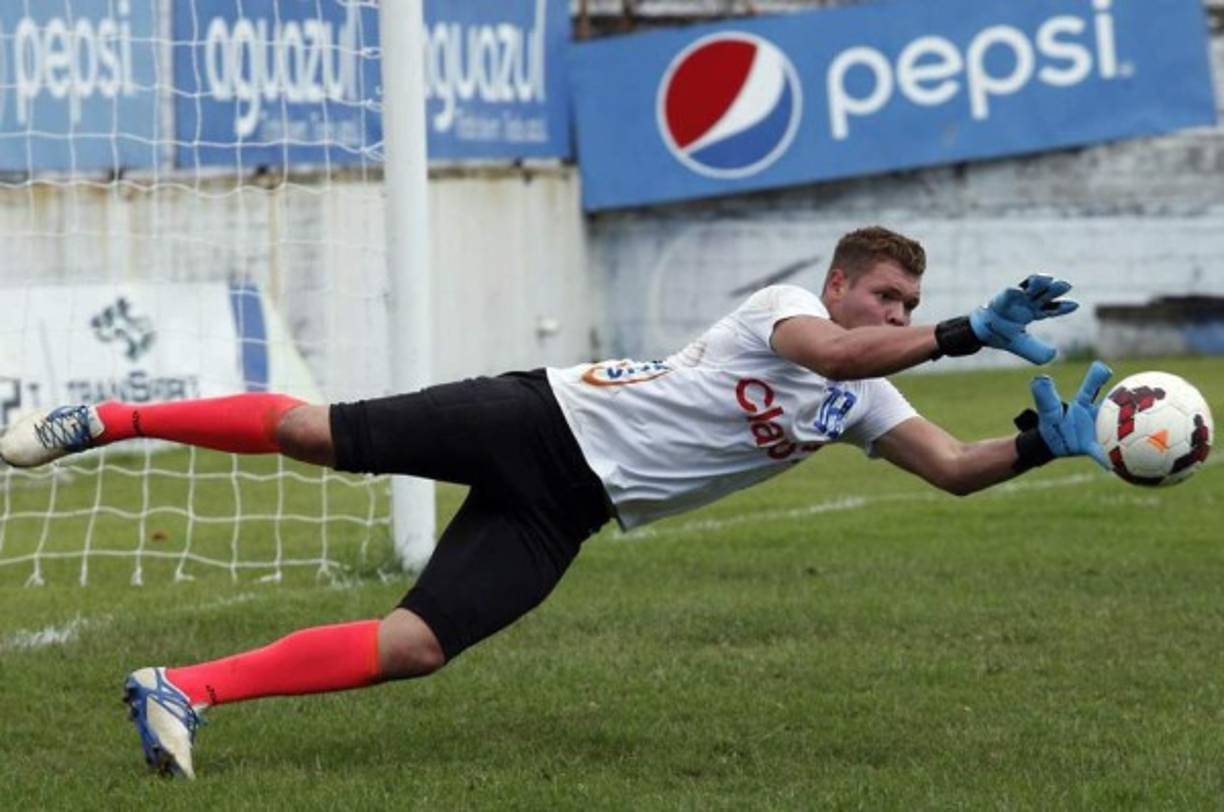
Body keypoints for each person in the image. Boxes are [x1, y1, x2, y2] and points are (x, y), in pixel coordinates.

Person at [0, 226, 1111, 779]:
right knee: (313, 432)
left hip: (569, 508)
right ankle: (105, 421)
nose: (898, 310)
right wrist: (960, 326)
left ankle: (180, 687)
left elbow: (957, 466)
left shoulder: (864, 401)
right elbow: (836, 348)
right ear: (840, 284)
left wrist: (1038, 446)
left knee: (417, 643)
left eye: (913, 301)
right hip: (538, 418)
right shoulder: (791, 313)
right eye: (889, 294)